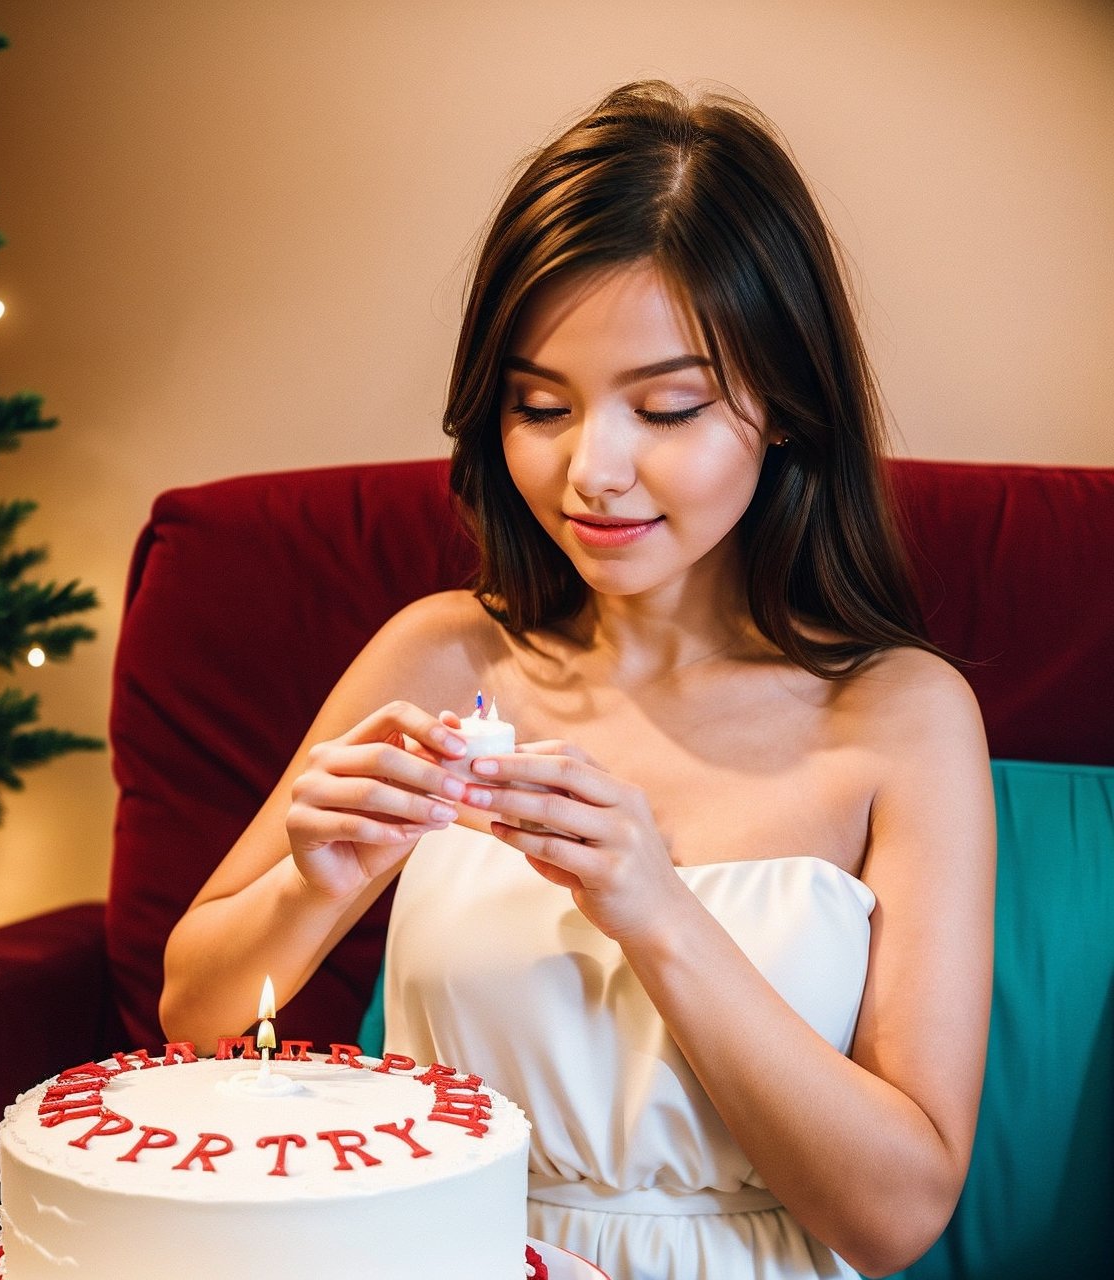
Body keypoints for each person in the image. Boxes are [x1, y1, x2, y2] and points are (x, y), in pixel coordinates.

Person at [161, 80, 995, 1279]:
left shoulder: (899, 715)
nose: (590, 470)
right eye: (538, 404)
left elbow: (896, 1211)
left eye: (665, 405)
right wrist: (314, 881)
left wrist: (656, 908)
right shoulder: (444, 653)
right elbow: (192, 1014)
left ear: (787, 404)